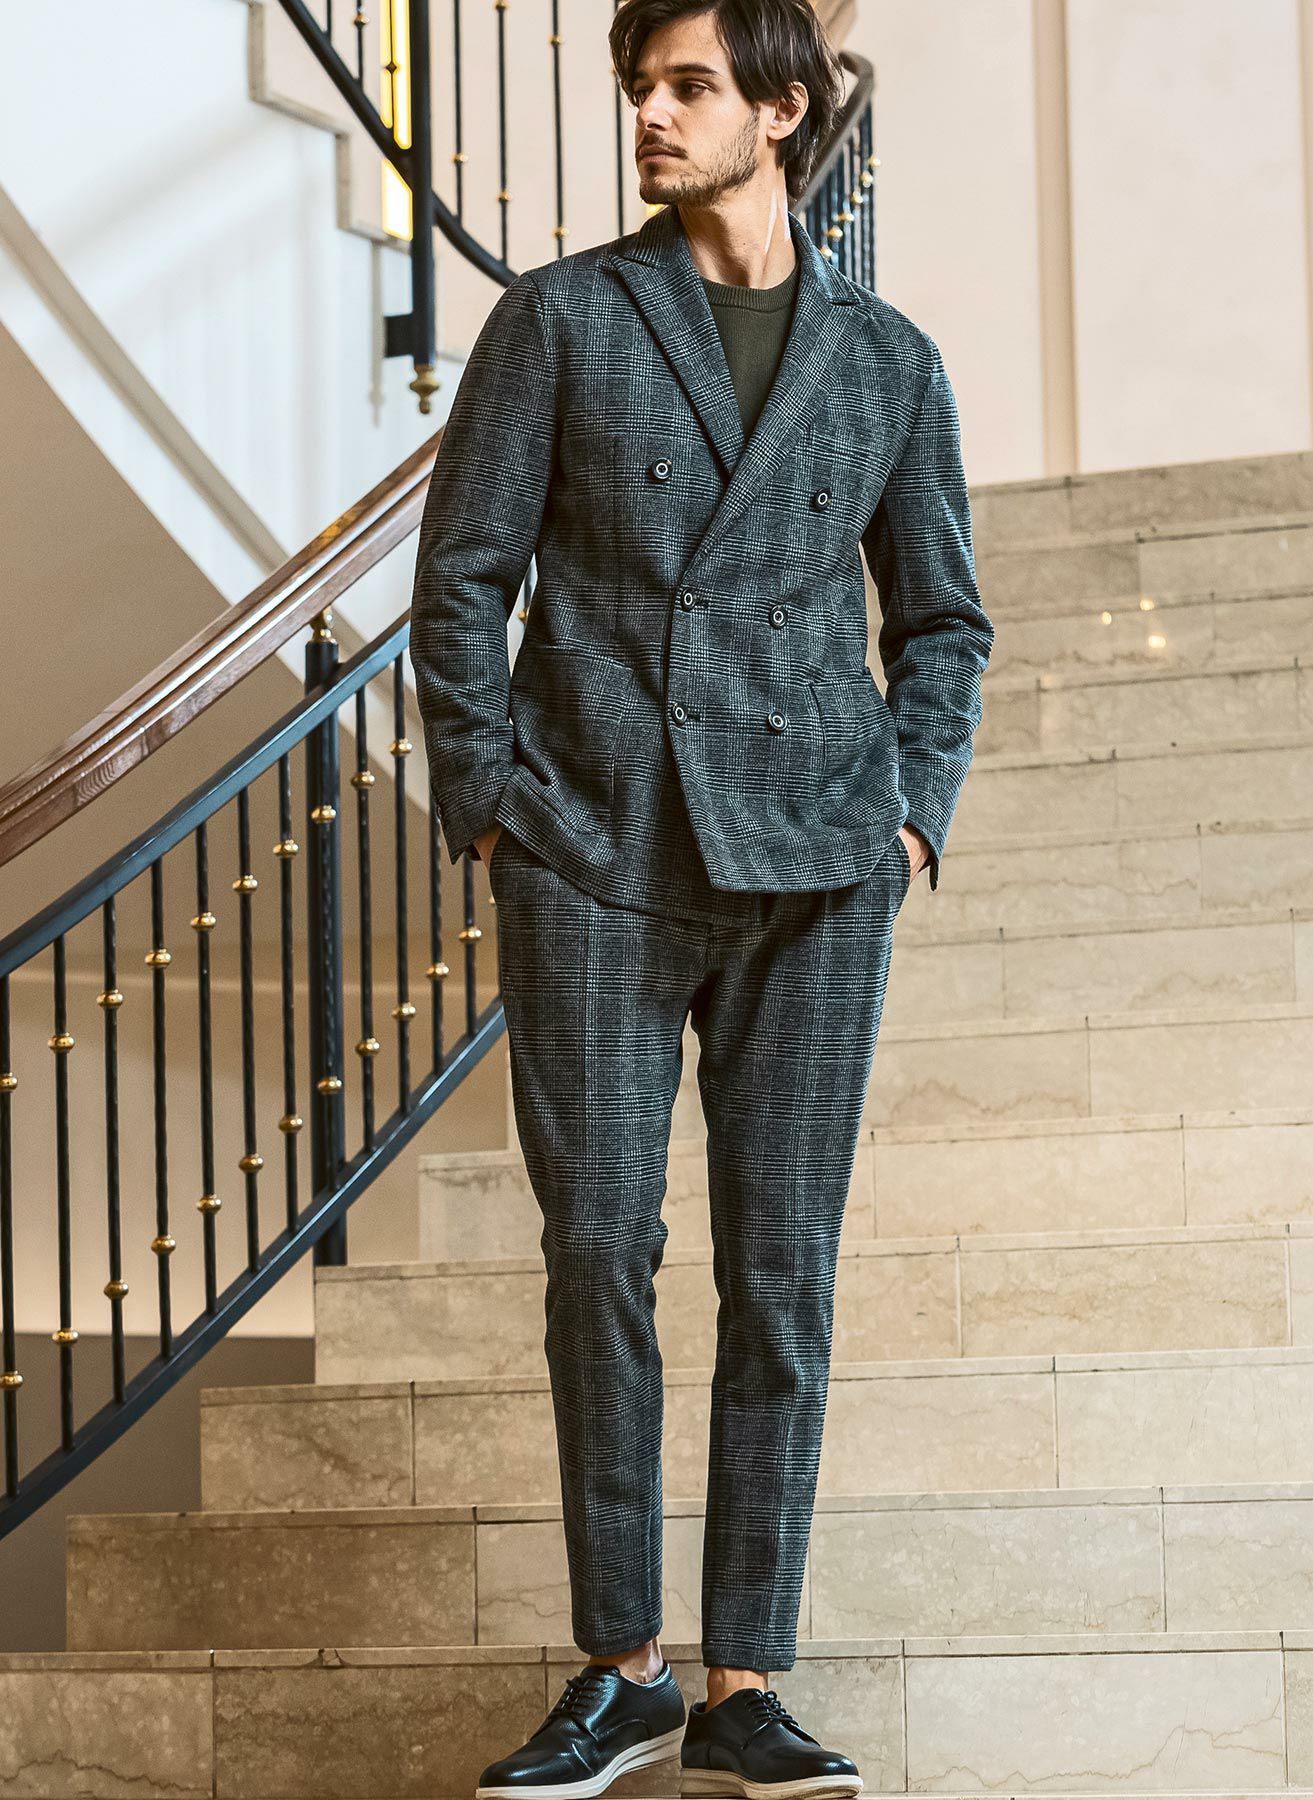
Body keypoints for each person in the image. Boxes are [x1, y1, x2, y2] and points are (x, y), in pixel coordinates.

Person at [408, 1, 993, 1793]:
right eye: (639, 89)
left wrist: (909, 818)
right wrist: (491, 802)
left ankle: (743, 1681)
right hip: (596, 848)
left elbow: (945, 620)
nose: (651, 117)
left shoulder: (887, 360)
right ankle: (625, 1667)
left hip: (815, 864)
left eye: (689, 87)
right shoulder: (562, 319)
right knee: (599, 1246)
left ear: (782, 110)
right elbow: (461, 581)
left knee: (781, 1268)